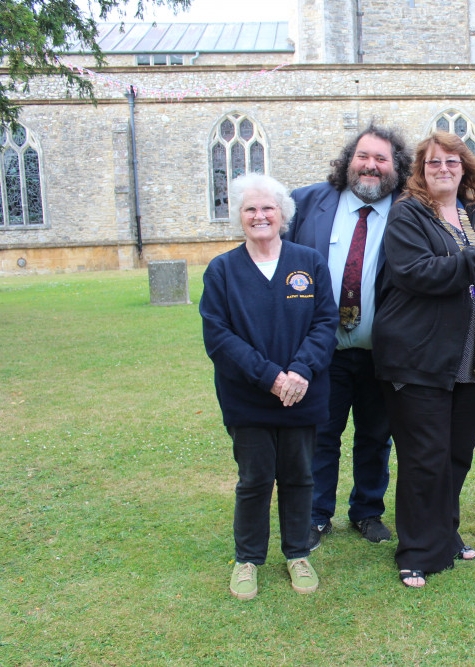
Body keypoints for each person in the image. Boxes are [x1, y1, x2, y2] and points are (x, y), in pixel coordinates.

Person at [372, 131, 475, 587]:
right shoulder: (407, 217)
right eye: (434, 163)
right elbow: (421, 275)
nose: (444, 169)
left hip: (471, 357)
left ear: (465, 169)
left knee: (456, 454)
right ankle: (417, 551)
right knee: (425, 456)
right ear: (420, 170)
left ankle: (444, 532)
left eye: (452, 163)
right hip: (418, 356)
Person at [200, 174, 339, 600]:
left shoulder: (309, 262)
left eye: (268, 208)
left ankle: (297, 553)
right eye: (250, 209)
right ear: (239, 217)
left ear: (283, 214)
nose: (260, 216)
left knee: (299, 477)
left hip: (303, 393)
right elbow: (219, 337)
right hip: (248, 398)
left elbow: (325, 323)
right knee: (255, 479)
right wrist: (271, 377)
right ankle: (247, 560)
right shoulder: (222, 270)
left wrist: (299, 372)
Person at [284, 124, 412, 547]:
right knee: (321, 434)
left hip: (383, 351)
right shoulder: (306, 203)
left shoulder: (409, 209)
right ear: (348, 160)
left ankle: (367, 511)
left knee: (376, 437)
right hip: (323, 351)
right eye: (363, 156)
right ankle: (317, 513)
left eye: (381, 159)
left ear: (396, 167)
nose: (370, 166)